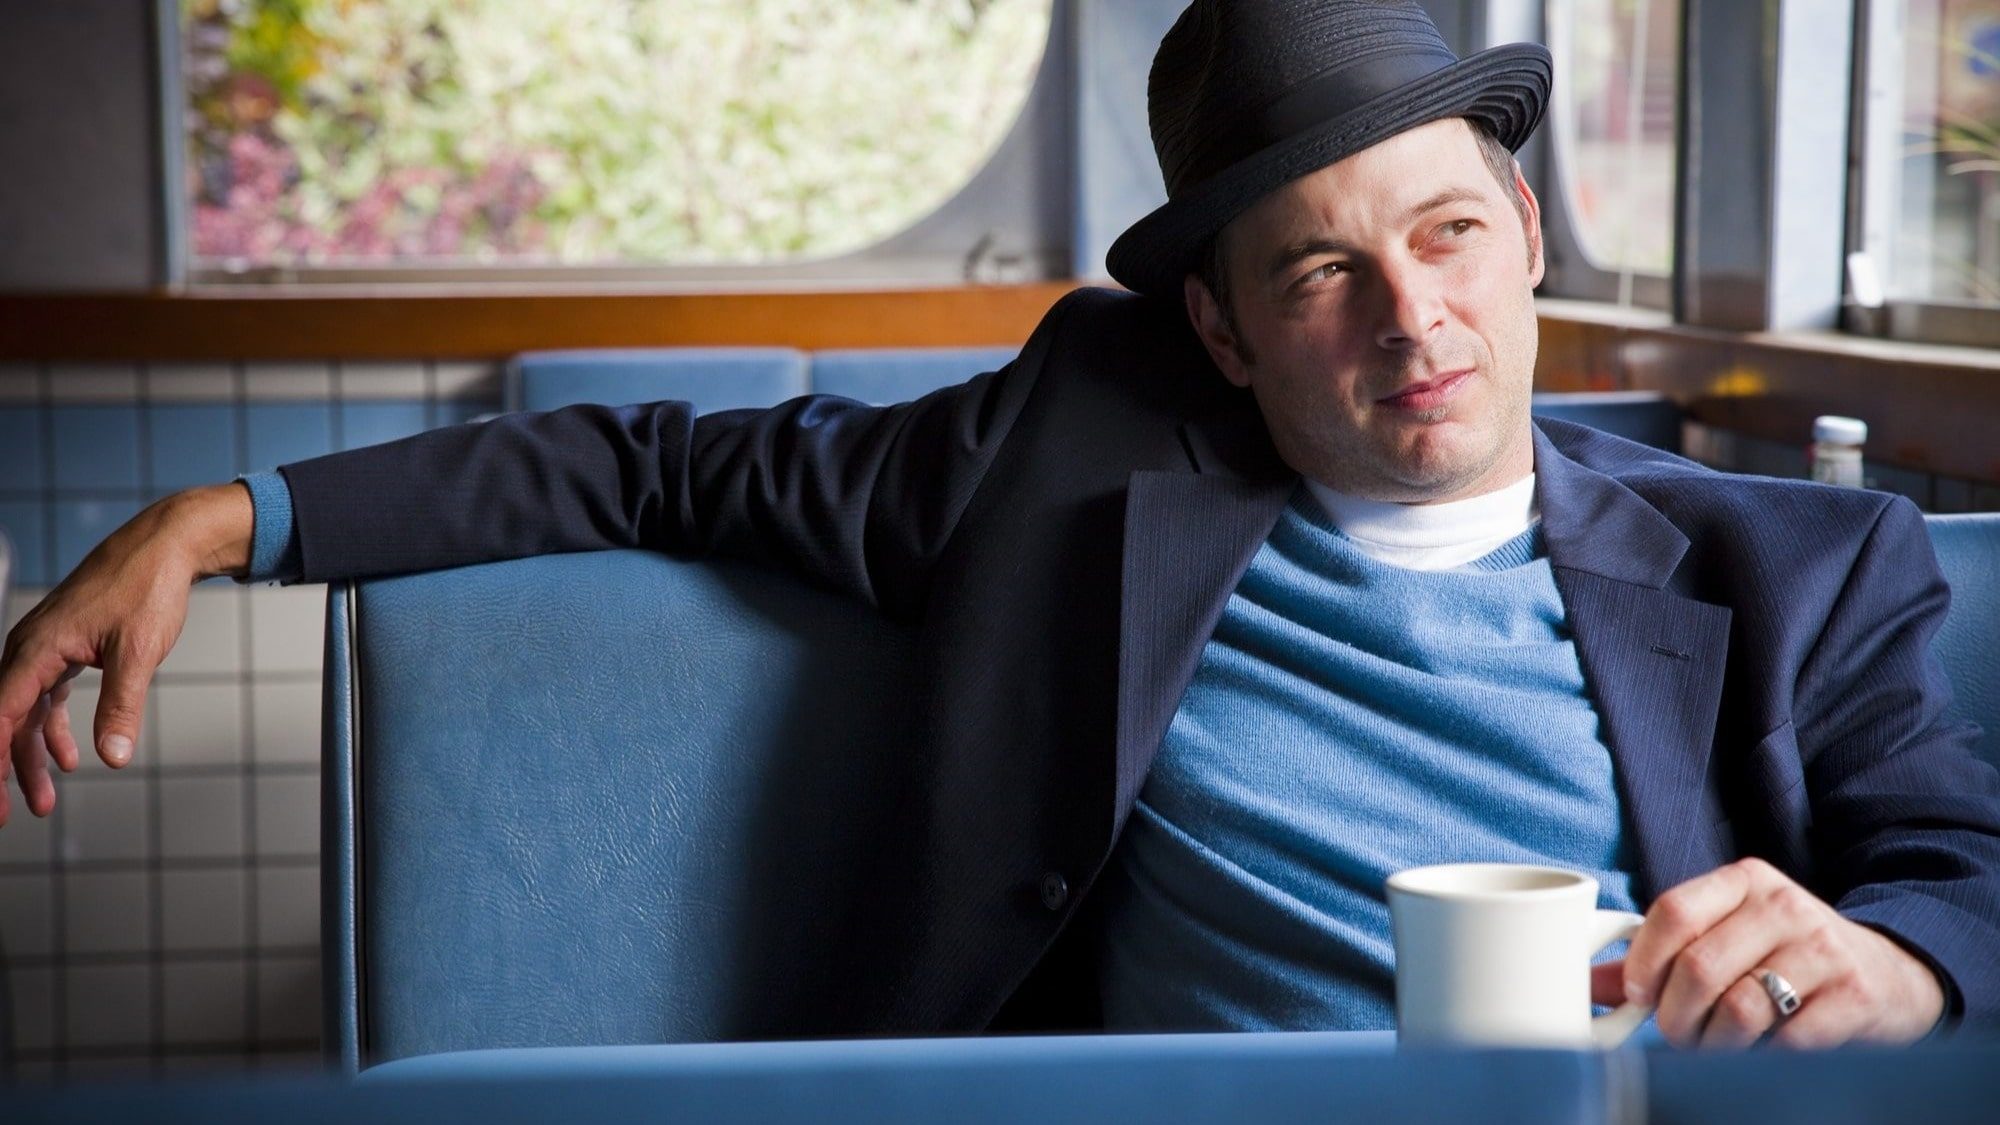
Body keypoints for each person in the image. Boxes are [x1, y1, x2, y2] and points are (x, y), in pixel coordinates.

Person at [3, 0, 1996, 1047]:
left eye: (1450, 232)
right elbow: (649, 464)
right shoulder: (1064, 458)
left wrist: (1903, 968)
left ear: (1530, 235)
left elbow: (1952, 870)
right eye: (1316, 274)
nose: (1413, 318)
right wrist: (225, 509)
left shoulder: (1800, 563)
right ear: (1212, 326)